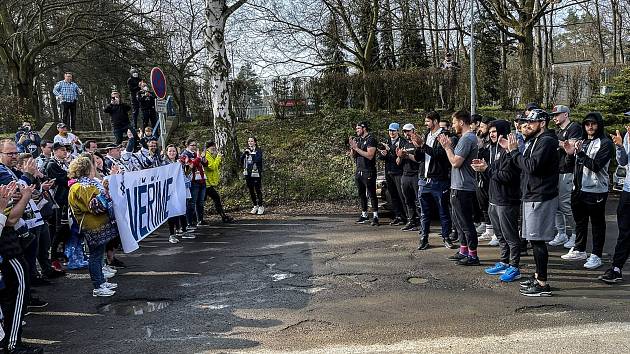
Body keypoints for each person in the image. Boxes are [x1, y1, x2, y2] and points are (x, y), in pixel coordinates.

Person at [501, 109, 559, 297]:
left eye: (531, 123)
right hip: (531, 195)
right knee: (533, 240)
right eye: (524, 122)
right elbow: (524, 165)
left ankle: (542, 283)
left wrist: (514, 152)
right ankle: (537, 276)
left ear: (542, 123)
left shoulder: (547, 141)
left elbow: (532, 167)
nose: (526, 125)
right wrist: (512, 152)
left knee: (537, 240)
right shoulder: (534, 141)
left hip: (540, 196)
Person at [560, 113, 613, 270]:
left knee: (597, 224)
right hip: (578, 189)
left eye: (594, 124)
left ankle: (596, 255)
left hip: (596, 190)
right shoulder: (581, 141)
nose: (590, 127)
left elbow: (596, 165)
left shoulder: (605, 143)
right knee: (580, 221)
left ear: (599, 125)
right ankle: (579, 249)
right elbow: (573, 164)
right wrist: (570, 154)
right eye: (587, 124)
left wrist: (580, 153)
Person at [472, 120, 522, 282]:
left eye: (495, 131)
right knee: (500, 235)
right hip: (494, 198)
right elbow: (493, 175)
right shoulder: (493, 149)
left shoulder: (510, 151)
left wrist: (487, 169)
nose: (492, 134)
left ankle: (515, 267)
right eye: (491, 131)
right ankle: (504, 262)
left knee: (511, 236)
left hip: (507, 200)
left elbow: (507, 176)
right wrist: (483, 168)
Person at [0, 180, 44, 354]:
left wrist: (13, 200)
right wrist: (24, 198)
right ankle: (12, 344)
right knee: (17, 298)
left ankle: (8, 340)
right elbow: (10, 220)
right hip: (9, 253)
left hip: (9, 252)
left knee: (10, 300)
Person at [67, 156, 118, 297]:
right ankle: (98, 285)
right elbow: (96, 206)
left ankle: (101, 280)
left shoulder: (86, 185)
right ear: (87, 169)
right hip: (92, 226)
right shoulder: (81, 187)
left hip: (98, 225)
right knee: (95, 256)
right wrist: (106, 193)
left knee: (98, 255)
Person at [439, 111, 480, 266]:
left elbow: (456, 162)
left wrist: (447, 148)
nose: (453, 125)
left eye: (454, 122)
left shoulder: (467, 138)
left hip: (463, 187)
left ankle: (473, 255)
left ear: (462, 122)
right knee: (459, 222)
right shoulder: (466, 138)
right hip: (458, 186)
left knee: (466, 222)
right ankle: (463, 250)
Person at [414, 111, 454, 249]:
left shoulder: (445, 135)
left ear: (435, 121)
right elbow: (420, 158)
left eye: (427, 122)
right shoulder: (426, 135)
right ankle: (424, 238)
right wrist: (418, 147)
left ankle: (446, 237)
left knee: (443, 210)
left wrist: (423, 146)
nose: (425, 124)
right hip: (424, 179)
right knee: (424, 212)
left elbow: (440, 155)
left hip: (439, 180)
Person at [548, 105, 582, 248]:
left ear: (566, 115)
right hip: (556, 170)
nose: (554, 117)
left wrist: (557, 143)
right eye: (553, 115)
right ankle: (561, 233)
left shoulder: (574, 127)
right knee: (555, 205)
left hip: (567, 171)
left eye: (557, 114)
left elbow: (572, 147)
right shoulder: (557, 131)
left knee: (566, 205)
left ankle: (575, 234)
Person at [599, 123, 630, 283]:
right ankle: (616, 268)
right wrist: (619, 147)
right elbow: (623, 162)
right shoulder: (627, 136)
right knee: (624, 232)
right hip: (628, 191)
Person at [44, 143, 72, 265]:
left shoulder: (64, 163)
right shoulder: (52, 164)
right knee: (57, 229)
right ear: (55, 151)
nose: (65, 152)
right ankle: (53, 257)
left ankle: (61, 252)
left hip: (66, 200)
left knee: (65, 229)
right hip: (57, 202)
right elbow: (65, 180)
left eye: (66, 150)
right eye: (62, 150)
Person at [349, 122, 378, 226]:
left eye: (358, 128)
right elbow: (353, 156)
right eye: (356, 128)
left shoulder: (371, 139)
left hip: (368, 170)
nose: (356, 130)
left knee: (371, 193)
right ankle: (364, 214)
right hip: (359, 169)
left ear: (364, 128)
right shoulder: (358, 139)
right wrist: (353, 147)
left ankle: (375, 216)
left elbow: (370, 155)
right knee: (361, 194)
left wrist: (357, 148)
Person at [377, 123, 406, 225]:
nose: (391, 133)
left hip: (398, 171)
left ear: (398, 131)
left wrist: (391, 150)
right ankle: (398, 215)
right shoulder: (387, 141)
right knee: (393, 195)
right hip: (388, 171)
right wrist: (383, 154)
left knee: (401, 195)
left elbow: (401, 157)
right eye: (390, 130)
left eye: (393, 131)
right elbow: (382, 157)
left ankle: (405, 217)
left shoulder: (402, 142)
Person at [164, 145, 194, 243]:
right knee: (171, 212)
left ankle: (183, 230)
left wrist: (189, 168)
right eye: (170, 151)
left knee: (182, 210)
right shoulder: (164, 163)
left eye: (174, 151)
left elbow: (185, 174)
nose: (172, 153)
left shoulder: (179, 162)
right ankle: (171, 234)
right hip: (170, 191)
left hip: (180, 189)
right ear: (167, 152)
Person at [396, 124, 421, 232]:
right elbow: (397, 162)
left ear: (413, 131)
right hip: (405, 175)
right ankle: (411, 221)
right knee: (408, 200)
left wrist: (408, 156)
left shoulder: (418, 143)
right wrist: (400, 156)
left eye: (408, 131)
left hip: (416, 175)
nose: (406, 133)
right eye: (405, 132)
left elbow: (420, 160)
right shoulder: (403, 143)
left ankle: (422, 223)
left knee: (419, 201)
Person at [203, 141, 233, 223]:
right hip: (206, 183)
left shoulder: (209, 155)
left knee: (203, 200)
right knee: (215, 198)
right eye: (213, 147)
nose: (214, 148)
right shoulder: (207, 155)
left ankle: (197, 218)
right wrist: (218, 157)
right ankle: (223, 216)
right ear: (209, 147)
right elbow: (212, 167)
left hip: (208, 182)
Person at [181, 139, 207, 226]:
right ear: (187, 145)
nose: (194, 147)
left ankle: (200, 220)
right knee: (192, 202)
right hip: (193, 181)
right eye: (192, 145)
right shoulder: (185, 154)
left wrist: (204, 159)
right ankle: (190, 222)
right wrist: (198, 158)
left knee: (201, 202)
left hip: (201, 179)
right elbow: (190, 165)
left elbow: (205, 164)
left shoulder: (196, 154)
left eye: (195, 145)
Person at [241, 137, 265, 216]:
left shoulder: (258, 150)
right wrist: (245, 154)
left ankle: (261, 206)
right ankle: (255, 205)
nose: (250, 142)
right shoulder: (246, 150)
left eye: (251, 141)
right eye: (249, 141)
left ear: (255, 142)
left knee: (257, 189)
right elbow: (241, 161)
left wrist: (251, 153)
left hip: (256, 173)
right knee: (251, 190)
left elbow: (258, 160)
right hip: (248, 172)